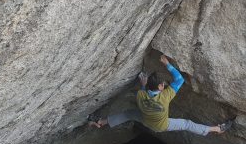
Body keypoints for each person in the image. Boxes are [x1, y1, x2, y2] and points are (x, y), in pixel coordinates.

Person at [89, 55, 232, 136]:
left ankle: (101, 122)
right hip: (162, 125)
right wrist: (168, 64)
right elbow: (180, 80)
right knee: (187, 124)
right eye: (163, 84)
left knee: (128, 114)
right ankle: (217, 129)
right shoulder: (165, 97)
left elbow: (145, 92)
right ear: (160, 87)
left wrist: (144, 84)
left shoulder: (140, 94)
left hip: (146, 119)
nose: (165, 85)